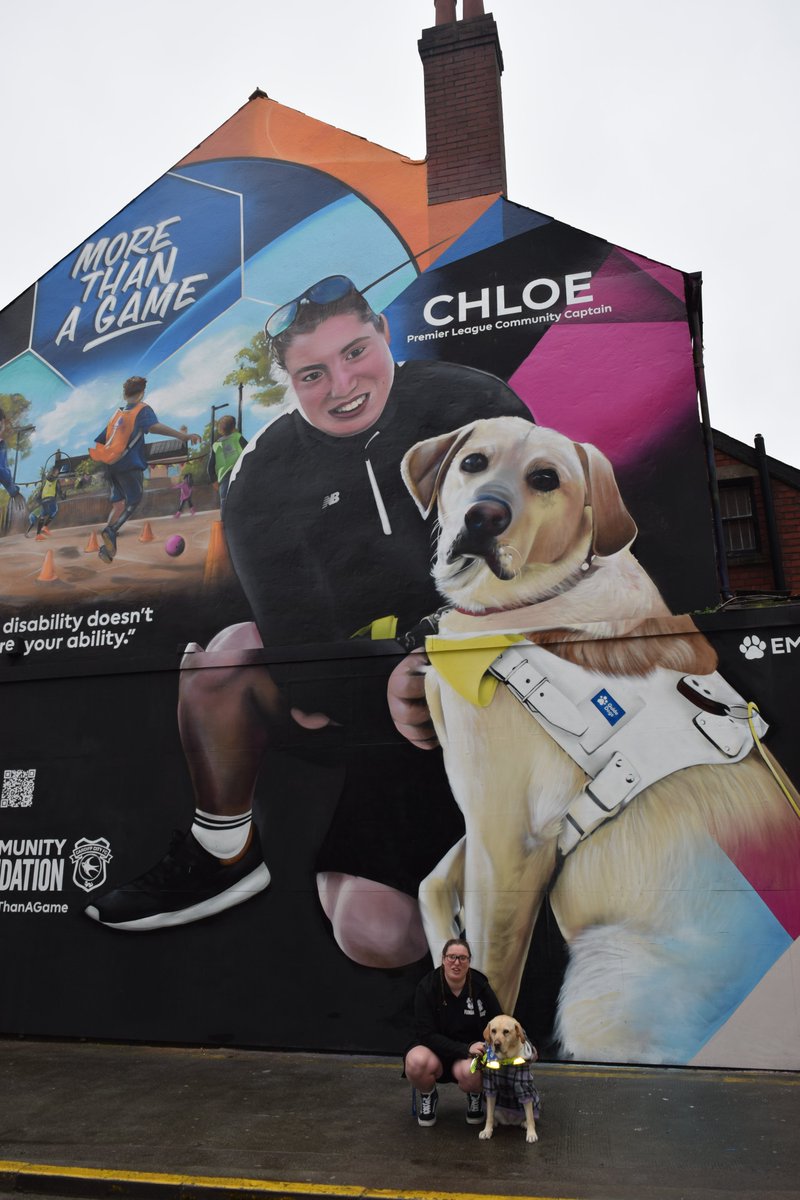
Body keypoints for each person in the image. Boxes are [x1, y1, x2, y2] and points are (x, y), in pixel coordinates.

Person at [85, 277, 534, 959]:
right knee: (369, 932)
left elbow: (543, 563)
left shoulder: (474, 402)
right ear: (288, 382)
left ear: (383, 331)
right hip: (383, 709)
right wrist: (388, 680)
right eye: (313, 373)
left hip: (500, 684)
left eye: (356, 352)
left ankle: (521, 842)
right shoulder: (262, 477)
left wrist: (449, 652)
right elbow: (303, 669)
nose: (343, 383)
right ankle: (222, 852)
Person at [90, 376, 200, 563]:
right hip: (128, 464)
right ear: (141, 393)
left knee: (118, 505)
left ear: (125, 394)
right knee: (134, 500)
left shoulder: (116, 414)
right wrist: (183, 436)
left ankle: (107, 549)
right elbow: (155, 427)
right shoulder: (142, 410)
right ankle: (111, 531)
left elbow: (101, 439)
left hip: (110, 464)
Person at [404, 938, 500, 1128]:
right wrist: (465, 1048)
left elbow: (499, 1020)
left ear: (469, 961)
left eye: (462, 958)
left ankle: (475, 1096)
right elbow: (426, 1035)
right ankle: (428, 1096)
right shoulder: (427, 987)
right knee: (416, 1061)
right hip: (435, 1051)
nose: (457, 963)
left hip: (468, 1056)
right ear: (443, 959)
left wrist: (525, 1044)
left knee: (472, 1071)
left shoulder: (480, 985)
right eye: (452, 957)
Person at [207, 414, 247, 512]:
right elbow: (249, 450)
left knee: (224, 501)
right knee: (244, 497)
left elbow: (210, 467)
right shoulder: (238, 437)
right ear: (234, 427)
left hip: (224, 477)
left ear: (220, 430)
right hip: (240, 472)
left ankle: (224, 523)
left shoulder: (216, 445)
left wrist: (214, 481)